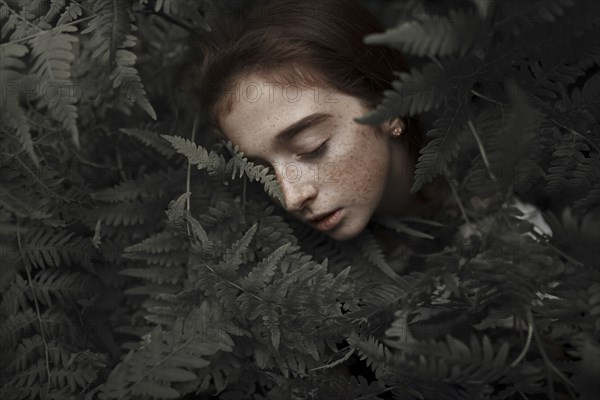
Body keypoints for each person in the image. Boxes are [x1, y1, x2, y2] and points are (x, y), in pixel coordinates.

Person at [180, 0, 452, 253]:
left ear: (388, 108)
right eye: (262, 171)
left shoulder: (488, 181)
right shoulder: (319, 288)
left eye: (312, 147)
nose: (292, 198)